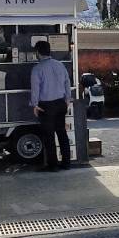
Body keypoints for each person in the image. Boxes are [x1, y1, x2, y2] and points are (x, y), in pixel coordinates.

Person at [30, 40, 73, 172]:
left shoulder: (37, 69)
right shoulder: (60, 65)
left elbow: (35, 89)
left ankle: (53, 165)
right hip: (61, 103)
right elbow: (67, 83)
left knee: (49, 136)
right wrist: (67, 100)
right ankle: (66, 163)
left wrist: (35, 105)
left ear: (37, 52)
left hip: (46, 106)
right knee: (62, 133)